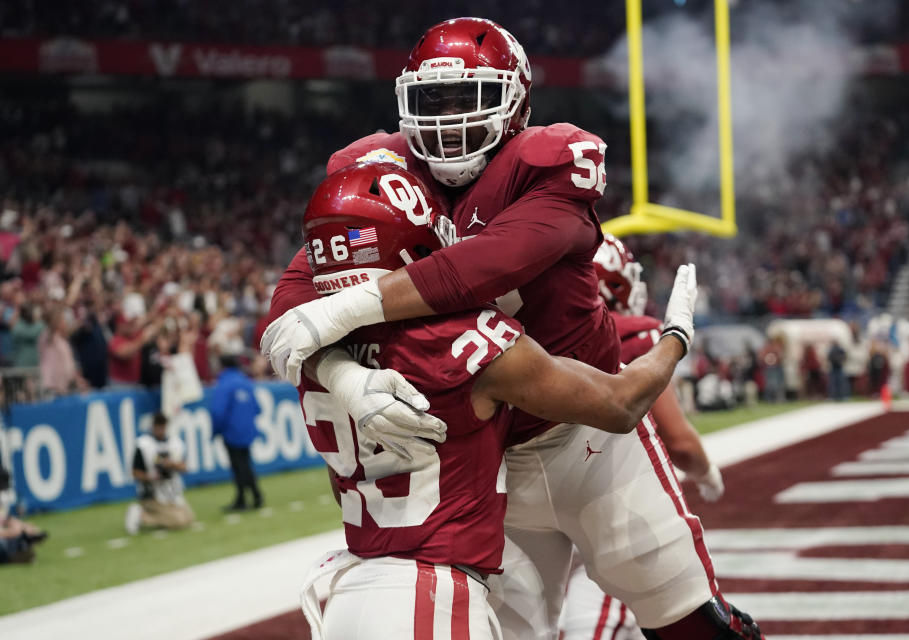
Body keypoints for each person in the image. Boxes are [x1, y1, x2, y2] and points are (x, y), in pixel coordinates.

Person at [262, 18, 763, 640]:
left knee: (692, 623)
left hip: (588, 438)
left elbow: (490, 262)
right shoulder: (376, 169)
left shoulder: (550, 160)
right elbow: (294, 307)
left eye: (467, 97)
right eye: (431, 100)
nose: (446, 119)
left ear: (515, 100)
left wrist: (342, 313)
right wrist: (340, 370)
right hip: (487, 459)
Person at [294, 162, 694, 639]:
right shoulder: (459, 340)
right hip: (430, 592)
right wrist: (675, 336)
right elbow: (620, 404)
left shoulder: (312, 350)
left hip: (347, 590)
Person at [559, 235, 725, 640]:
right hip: (605, 506)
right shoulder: (633, 335)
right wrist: (708, 474)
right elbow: (681, 444)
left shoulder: (530, 330)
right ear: (613, 285)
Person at [209, 354, 263, 511]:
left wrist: (215, 431)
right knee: (245, 463)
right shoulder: (245, 381)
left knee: (238, 466)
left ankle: (246, 498)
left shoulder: (224, 383)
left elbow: (218, 411)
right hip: (247, 430)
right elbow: (257, 408)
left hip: (231, 432)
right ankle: (252, 495)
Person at [125, 413, 194, 534]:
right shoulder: (143, 445)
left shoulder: (175, 443)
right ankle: (141, 516)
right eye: (158, 427)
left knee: (189, 518)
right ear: (153, 427)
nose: (160, 430)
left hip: (172, 494)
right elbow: (135, 472)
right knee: (178, 521)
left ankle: (151, 516)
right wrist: (150, 477)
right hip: (152, 495)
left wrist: (173, 465)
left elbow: (185, 467)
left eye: (162, 427)